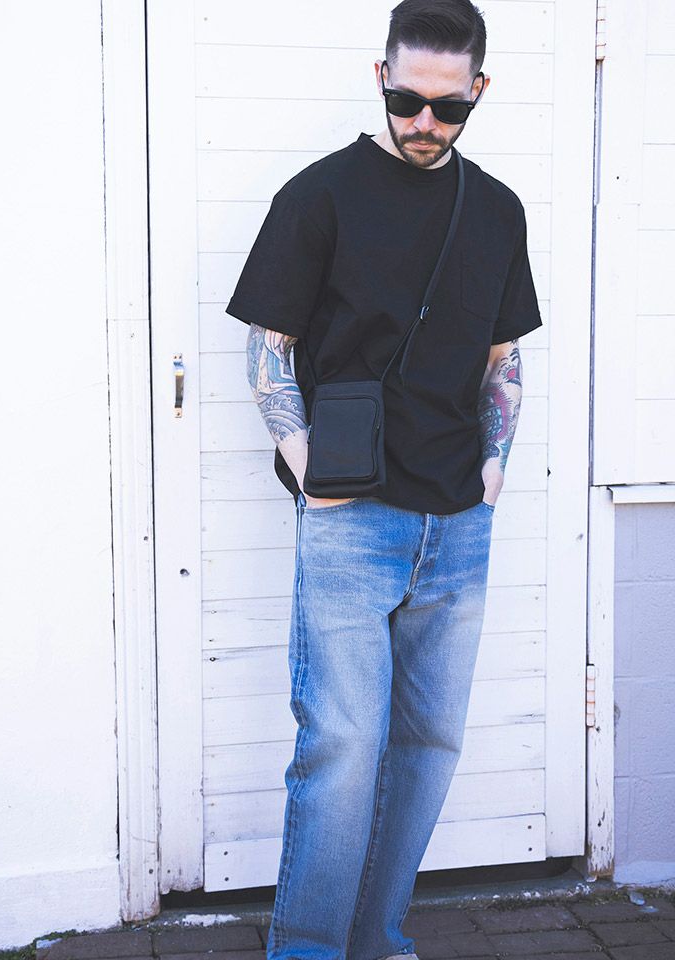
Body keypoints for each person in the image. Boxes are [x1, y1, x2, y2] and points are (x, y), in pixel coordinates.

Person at [224, 1, 543, 957]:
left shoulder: (497, 209)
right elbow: (268, 349)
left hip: (459, 522)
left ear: (479, 91)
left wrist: (493, 470)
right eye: (407, 100)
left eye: (450, 106)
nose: (425, 122)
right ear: (381, 78)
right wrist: (310, 472)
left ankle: (378, 940)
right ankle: (308, 950)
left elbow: (503, 360)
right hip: (351, 519)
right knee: (341, 749)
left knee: (429, 746)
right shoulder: (318, 196)